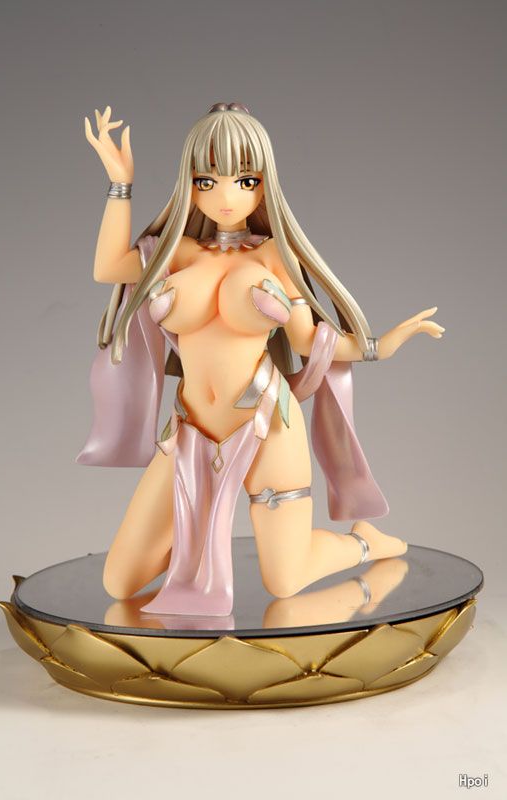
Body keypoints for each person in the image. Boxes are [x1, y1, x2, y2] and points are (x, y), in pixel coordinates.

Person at [77, 102, 444, 616]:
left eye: (245, 180)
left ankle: (366, 542)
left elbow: (309, 341)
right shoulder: (176, 253)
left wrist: (382, 343)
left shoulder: (273, 256)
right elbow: (107, 269)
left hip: (267, 424)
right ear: (189, 185)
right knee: (120, 580)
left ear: (265, 183)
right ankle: (194, 557)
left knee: (285, 580)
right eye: (208, 181)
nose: (226, 197)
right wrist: (120, 185)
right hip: (189, 431)